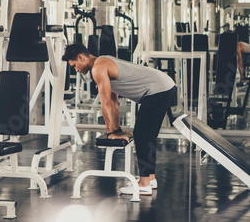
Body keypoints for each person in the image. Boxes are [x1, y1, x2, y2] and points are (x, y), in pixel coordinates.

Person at [62, 42, 176, 195]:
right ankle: (150, 179)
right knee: (147, 136)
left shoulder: (98, 68)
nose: (75, 70)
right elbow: (114, 102)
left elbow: (106, 103)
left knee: (142, 135)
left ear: (81, 58)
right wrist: (116, 129)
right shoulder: (103, 61)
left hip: (158, 90)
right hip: (164, 86)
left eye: (74, 65)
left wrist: (110, 134)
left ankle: (143, 184)